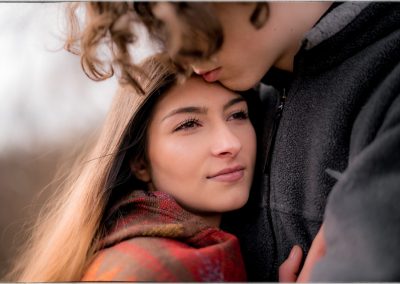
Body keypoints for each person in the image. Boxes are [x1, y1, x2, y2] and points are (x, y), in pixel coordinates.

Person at [64, 2, 400, 281]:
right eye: (189, 124)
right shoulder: (149, 265)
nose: (182, 50)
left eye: (189, 14)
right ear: (139, 160)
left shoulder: (385, 82)